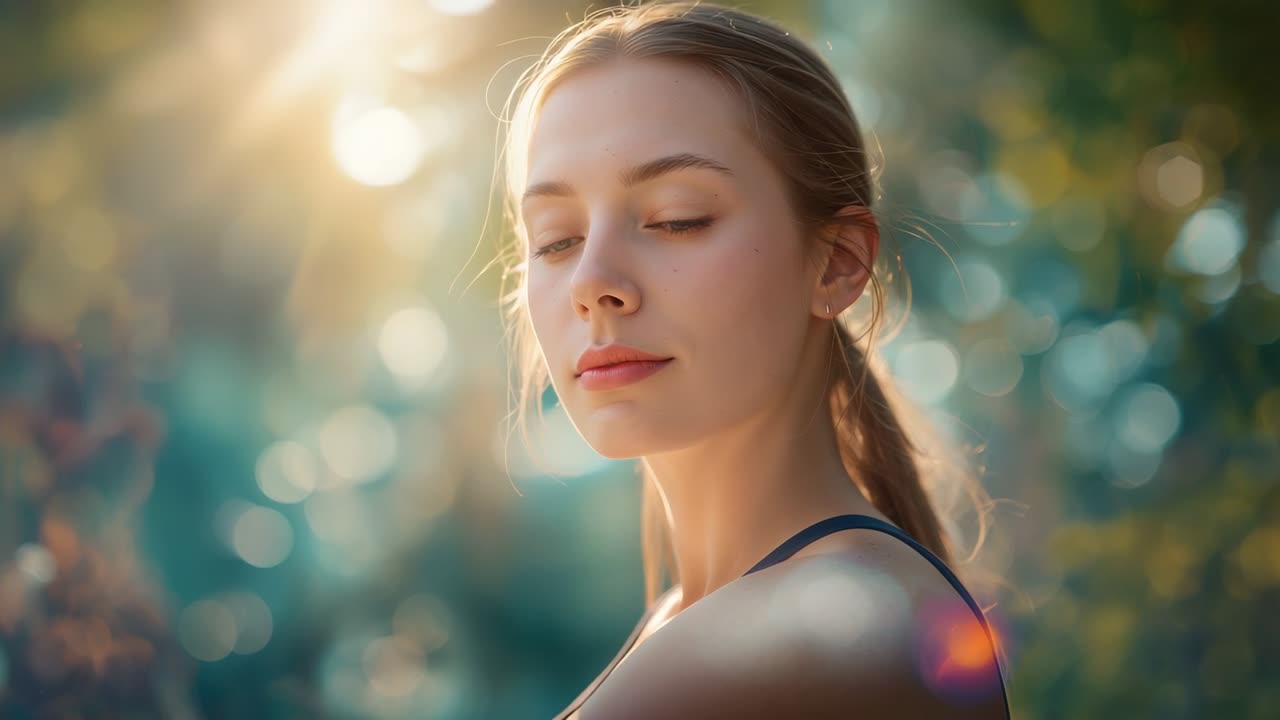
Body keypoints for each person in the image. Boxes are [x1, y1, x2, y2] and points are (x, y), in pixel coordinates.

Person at [496, 2, 1012, 717]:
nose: (591, 282)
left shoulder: (819, 632)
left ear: (836, 263)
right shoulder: (694, 620)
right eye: (556, 239)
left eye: (677, 218)